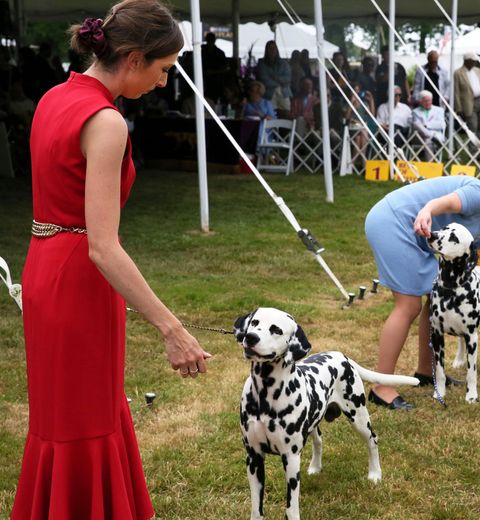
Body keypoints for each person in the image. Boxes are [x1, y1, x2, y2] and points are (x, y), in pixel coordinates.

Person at [11, 2, 211, 519]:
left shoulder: (55, 97)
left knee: (65, 417)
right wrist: (171, 328)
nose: (165, 83)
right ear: (134, 58)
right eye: (164, 70)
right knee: (82, 418)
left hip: (43, 267)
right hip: (77, 277)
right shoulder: (106, 122)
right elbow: (102, 245)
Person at [365, 174, 480, 409]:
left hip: (408, 225)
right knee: (408, 306)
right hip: (394, 222)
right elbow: (445, 203)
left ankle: (427, 372)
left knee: (438, 296)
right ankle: (381, 387)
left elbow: (469, 274)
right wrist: (427, 211)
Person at [454, 52, 480, 139]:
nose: (474, 63)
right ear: (467, 61)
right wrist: (459, 108)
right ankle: (473, 151)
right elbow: (456, 92)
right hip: (469, 103)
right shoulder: (458, 73)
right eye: (472, 61)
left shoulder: (477, 70)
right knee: (472, 127)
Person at [254, 40, 292, 118]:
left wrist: (276, 78)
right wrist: (279, 82)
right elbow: (264, 80)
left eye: (274, 48)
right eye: (270, 49)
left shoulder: (284, 63)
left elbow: (288, 78)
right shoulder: (262, 63)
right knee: (270, 114)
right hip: (269, 93)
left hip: (283, 92)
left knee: (286, 114)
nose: (272, 51)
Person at [412, 90, 446, 161]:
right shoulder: (415, 112)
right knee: (416, 124)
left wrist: (426, 125)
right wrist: (429, 126)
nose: (428, 103)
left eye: (429, 100)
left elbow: (441, 125)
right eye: (425, 101)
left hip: (436, 136)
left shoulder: (439, 110)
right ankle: (430, 136)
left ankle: (429, 165)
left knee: (428, 141)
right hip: (419, 137)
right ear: (420, 101)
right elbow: (418, 126)